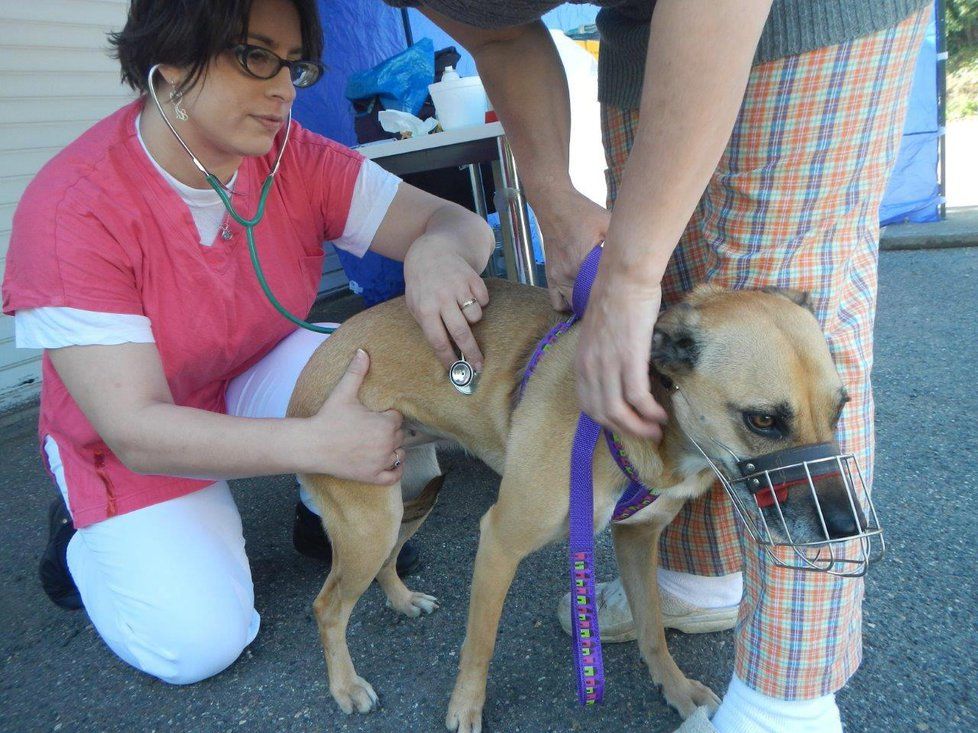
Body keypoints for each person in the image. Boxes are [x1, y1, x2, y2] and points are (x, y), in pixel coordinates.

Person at [387, 0, 929, 730]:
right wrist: (556, 204)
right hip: (641, 47)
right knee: (687, 276)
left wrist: (633, 276)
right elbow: (501, 30)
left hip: (809, 31)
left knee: (765, 289)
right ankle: (700, 580)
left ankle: (785, 705)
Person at [0, 0, 495, 685]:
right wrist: (321, 444)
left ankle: (319, 512)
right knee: (198, 643)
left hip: (246, 367)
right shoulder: (72, 208)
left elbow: (455, 221)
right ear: (168, 59)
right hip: (131, 433)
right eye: (256, 55)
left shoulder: (296, 156)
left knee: (395, 368)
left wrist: (439, 251)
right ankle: (84, 537)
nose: (286, 88)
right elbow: (134, 427)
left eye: (294, 65)